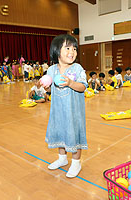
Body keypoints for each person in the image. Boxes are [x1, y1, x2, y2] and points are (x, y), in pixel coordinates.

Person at [44, 34, 88, 178]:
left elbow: (82, 86)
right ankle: (62, 159)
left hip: (73, 112)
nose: (72, 52)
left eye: (74, 49)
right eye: (67, 48)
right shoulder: (51, 70)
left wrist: (70, 83)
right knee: (60, 132)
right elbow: (51, 90)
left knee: (74, 134)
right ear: (57, 50)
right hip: (57, 111)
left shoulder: (77, 68)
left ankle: (76, 163)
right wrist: (45, 87)